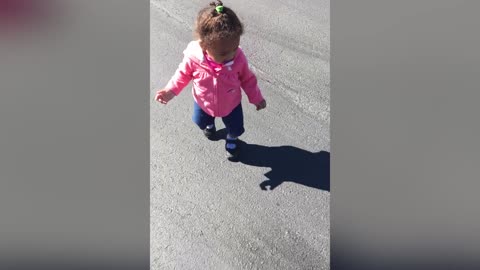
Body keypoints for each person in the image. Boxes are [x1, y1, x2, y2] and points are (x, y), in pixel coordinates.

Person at [155, 1, 266, 161]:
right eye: (223, 53)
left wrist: (257, 98)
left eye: (235, 48)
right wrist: (169, 91)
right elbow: (182, 74)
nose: (231, 55)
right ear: (203, 46)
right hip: (203, 103)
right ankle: (209, 125)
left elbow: (248, 79)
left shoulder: (238, 59)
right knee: (200, 122)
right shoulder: (194, 58)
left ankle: (232, 139)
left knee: (235, 128)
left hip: (231, 104)